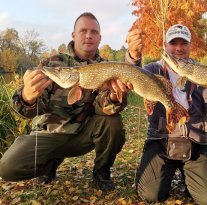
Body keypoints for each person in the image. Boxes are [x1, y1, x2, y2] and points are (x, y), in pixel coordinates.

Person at [0, 12, 143, 192]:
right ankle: (49, 164)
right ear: (74, 35)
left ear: (99, 38)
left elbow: (103, 109)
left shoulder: (105, 66)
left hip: (83, 135)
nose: (88, 35)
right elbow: (26, 112)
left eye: (94, 32)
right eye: (83, 30)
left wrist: (114, 96)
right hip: (49, 135)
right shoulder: (52, 64)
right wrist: (27, 96)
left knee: (113, 122)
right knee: (7, 168)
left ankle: (102, 172)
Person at [129, 24, 207, 204]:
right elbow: (133, 74)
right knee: (150, 195)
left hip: (195, 145)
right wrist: (134, 57)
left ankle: (191, 176)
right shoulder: (152, 70)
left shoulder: (201, 74)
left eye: (184, 43)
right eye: (174, 43)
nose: (179, 48)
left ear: (190, 46)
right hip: (161, 142)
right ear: (165, 45)